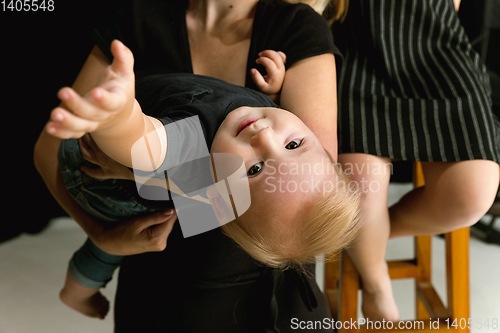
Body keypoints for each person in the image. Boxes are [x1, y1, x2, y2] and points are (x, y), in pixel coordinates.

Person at [34, 0, 346, 331]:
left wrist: (145, 174)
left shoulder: (294, 27)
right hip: (158, 285)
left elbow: (306, 184)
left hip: (257, 297)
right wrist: (100, 235)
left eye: (253, 169)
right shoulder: (138, 19)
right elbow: (49, 149)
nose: (265, 136)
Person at [333, 0, 500, 321]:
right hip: (356, 53)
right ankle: (375, 282)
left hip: (440, 52)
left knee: (471, 193)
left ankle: (366, 240)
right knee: (360, 194)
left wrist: (372, 232)